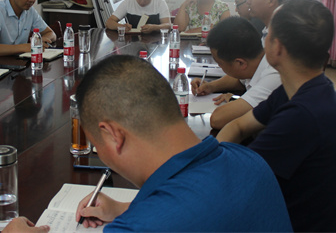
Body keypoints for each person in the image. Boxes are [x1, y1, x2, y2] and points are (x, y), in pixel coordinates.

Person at [66, 55, 291, 232]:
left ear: (113, 135)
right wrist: (126, 208)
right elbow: (206, 208)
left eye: (96, 144)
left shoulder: (137, 227)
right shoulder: (251, 161)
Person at [217, 0, 336, 232]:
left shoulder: (304, 115)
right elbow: (238, 127)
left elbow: (239, 179)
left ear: (277, 48)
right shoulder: (298, 90)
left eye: (267, 35)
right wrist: (214, 154)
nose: (262, 41)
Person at [189, 17, 281, 130]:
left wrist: (234, 101)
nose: (219, 67)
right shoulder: (257, 59)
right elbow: (239, 80)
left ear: (240, 63)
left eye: (220, 63)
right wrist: (210, 86)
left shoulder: (273, 76)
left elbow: (218, 119)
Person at [105, 0, 170, 33]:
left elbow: (168, 26)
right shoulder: (127, 3)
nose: (142, 1)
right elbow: (109, 23)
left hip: (155, 41)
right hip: (131, 41)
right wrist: (121, 27)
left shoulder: (160, 3)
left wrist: (154, 28)